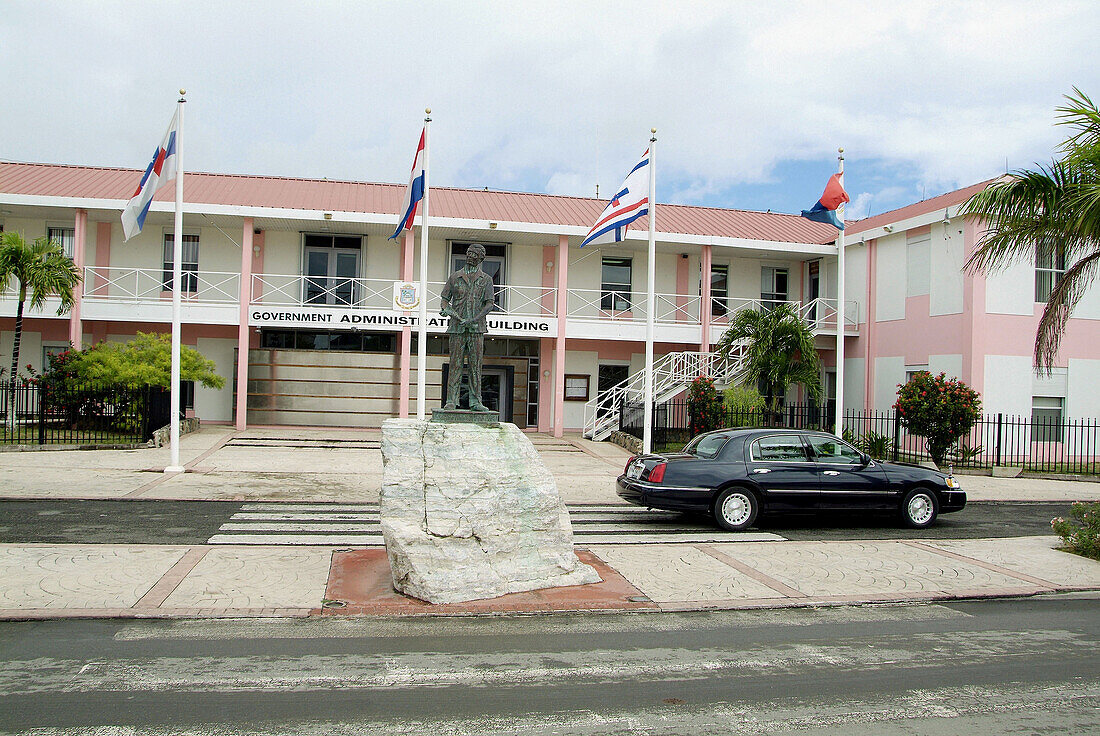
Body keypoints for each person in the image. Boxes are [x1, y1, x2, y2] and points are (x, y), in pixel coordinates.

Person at [440, 243, 495, 411]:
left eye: (474, 254)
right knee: (455, 365)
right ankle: (451, 400)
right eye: (469, 253)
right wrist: (445, 309)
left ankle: (475, 401)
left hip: (476, 328)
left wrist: (474, 319)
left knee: (475, 366)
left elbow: (489, 304)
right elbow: (444, 299)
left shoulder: (486, 280)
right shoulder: (455, 277)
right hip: (457, 327)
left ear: (481, 259)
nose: (470, 256)